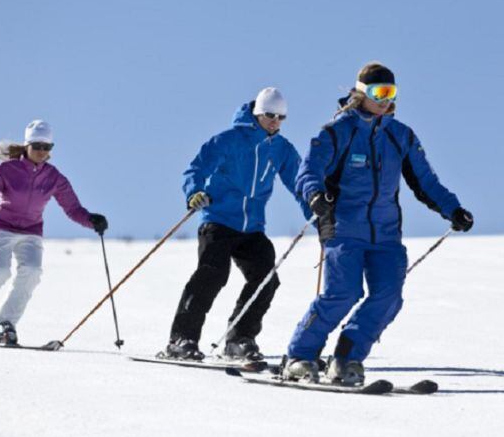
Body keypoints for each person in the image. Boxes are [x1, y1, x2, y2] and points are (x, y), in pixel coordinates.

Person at [283, 62, 474, 384]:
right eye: (378, 93)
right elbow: (309, 171)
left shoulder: (400, 136)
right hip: (343, 226)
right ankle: (300, 356)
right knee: (342, 293)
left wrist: (453, 209)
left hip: (385, 233)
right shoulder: (337, 131)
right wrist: (315, 196)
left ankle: (346, 359)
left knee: (389, 297)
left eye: (391, 93)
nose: (385, 100)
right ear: (360, 93)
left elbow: (426, 182)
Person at [163, 87, 307, 361]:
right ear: (257, 114)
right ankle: (182, 340)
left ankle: (240, 338)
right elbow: (196, 169)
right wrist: (194, 192)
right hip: (218, 221)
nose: (275, 121)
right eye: (270, 115)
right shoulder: (228, 140)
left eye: (281, 117)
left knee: (266, 279)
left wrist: (315, 209)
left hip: (252, 228)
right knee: (212, 275)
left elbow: (299, 184)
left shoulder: (282, 149)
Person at [0, 120, 108, 345]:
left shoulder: (53, 177)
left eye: (47, 147)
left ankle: (4, 324)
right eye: (37, 146)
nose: (42, 152)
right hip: (2, 228)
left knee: (32, 271)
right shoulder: (7, 169)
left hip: (31, 232)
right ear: (27, 145)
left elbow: (72, 208)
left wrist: (91, 220)